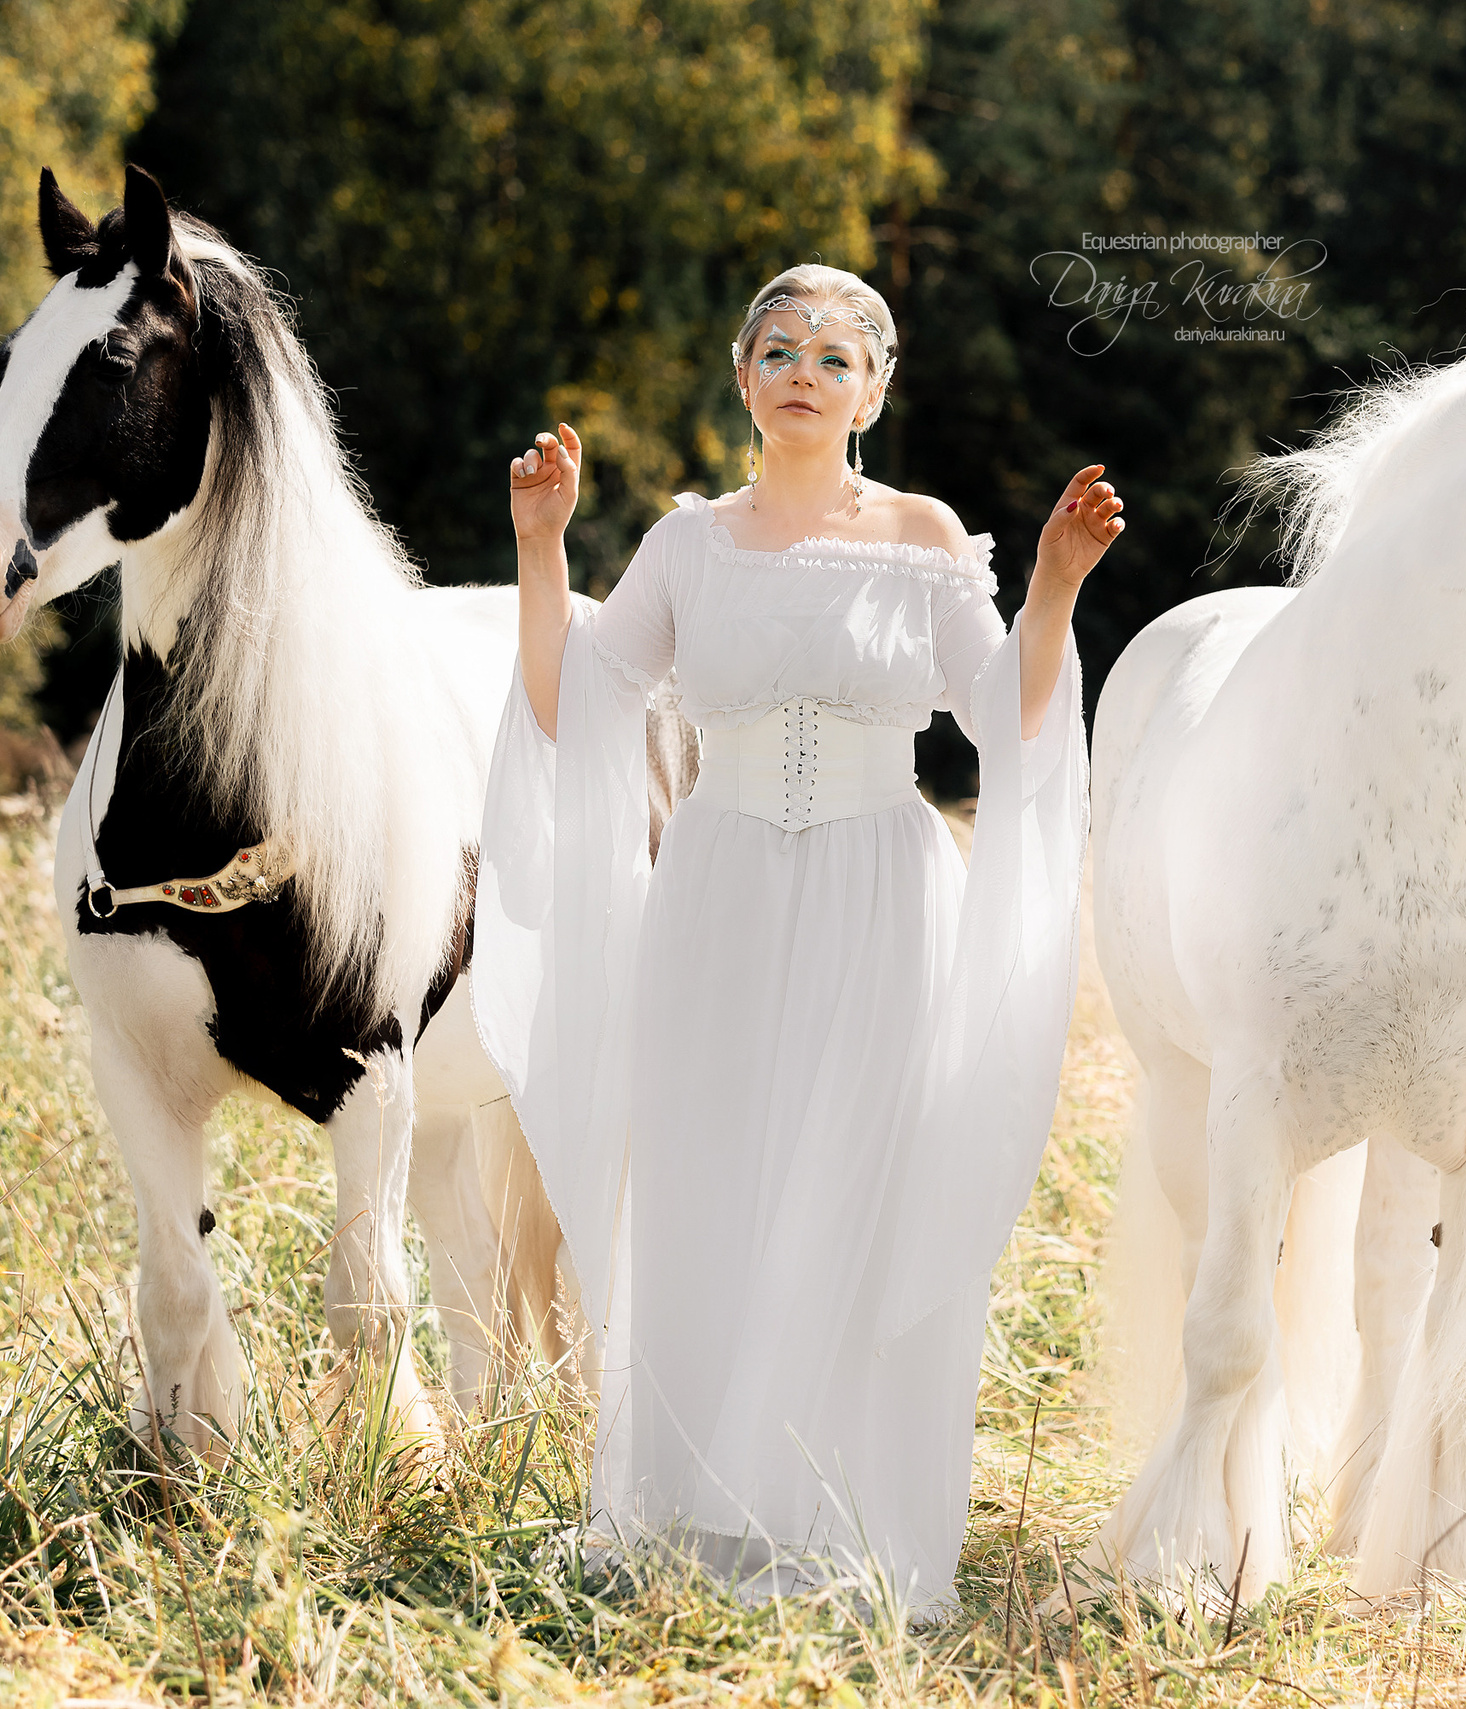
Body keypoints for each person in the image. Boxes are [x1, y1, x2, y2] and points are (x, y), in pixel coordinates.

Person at [473, 263, 1122, 1618]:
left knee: (856, 1177)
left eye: (837, 353)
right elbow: (574, 703)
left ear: (874, 390)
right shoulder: (688, 547)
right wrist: (543, 544)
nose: (806, 368)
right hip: (716, 891)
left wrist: (1054, 582)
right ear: (742, 377)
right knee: (713, 1174)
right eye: (781, 347)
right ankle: (701, 1502)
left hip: (884, 891)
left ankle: (842, 1515)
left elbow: (1006, 716)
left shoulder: (925, 534)